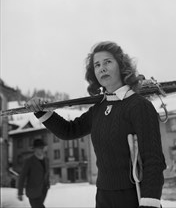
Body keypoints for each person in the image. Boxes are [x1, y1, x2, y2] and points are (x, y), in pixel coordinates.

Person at [25, 41, 166, 208]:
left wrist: (149, 203)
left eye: (108, 62)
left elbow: (154, 159)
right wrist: (41, 111)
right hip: (103, 196)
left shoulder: (139, 106)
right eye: (97, 65)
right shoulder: (99, 109)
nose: (102, 68)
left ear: (121, 66)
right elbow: (69, 131)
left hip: (134, 196)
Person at [17, 139, 50, 208]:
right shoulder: (29, 161)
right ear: (35, 149)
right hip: (33, 192)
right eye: (40, 148)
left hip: (43, 191)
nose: (42, 149)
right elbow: (22, 177)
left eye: (42, 147)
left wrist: (47, 183)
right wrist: (20, 192)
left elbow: (47, 173)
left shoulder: (46, 160)